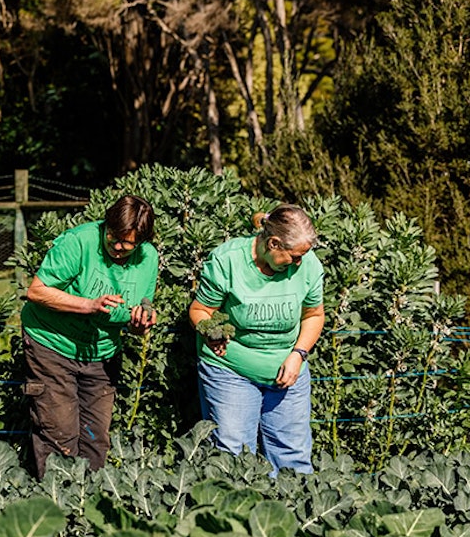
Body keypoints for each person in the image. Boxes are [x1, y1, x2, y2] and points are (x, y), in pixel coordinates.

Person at [21, 195, 159, 478]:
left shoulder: (149, 260)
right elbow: (36, 291)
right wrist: (88, 305)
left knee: (96, 439)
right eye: (113, 237)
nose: (119, 247)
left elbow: (138, 311)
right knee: (59, 434)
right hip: (53, 345)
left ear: (142, 241)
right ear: (105, 225)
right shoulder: (79, 242)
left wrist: (140, 323)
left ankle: (87, 504)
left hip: (101, 355)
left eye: (128, 243)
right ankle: (55, 507)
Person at [188, 204, 325, 475]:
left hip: (288, 372)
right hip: (231, 370)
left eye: (303, 256)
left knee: (294, 456)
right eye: (294, 256)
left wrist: (298, 354)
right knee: (233, 457)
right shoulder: (228, 261)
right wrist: (209, 332)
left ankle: (293, 515)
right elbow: (199, 310)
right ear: (273, 243)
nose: (300, 263)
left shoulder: (308, 265)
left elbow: (314, 315)